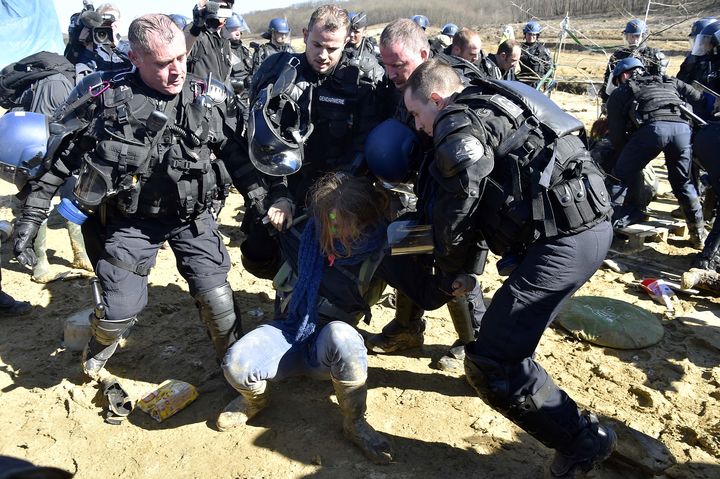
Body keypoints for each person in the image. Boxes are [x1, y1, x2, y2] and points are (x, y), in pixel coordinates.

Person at [11, 14, 248, 401]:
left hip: (192, 217)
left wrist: (265, 201)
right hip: (133, 222)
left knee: (217, 297)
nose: (176, 72)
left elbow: (239, 158)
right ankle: (98, 351)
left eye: (180, 59)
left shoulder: (207, 96)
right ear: (135, 57)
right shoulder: (106, 98)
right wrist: (32, 216)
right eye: (162, 64)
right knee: (118, 308)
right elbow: (60, 163)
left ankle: (235, 370)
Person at [402, 58, 616, 477]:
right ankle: (580, 431)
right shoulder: (495, 98)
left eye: (416, 114)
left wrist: (447, 270)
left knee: (493, 361)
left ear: (435, 99)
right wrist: (472, 267)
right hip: (580, 226)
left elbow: (461, 205)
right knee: (502, 346)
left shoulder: (456, 118)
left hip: (566, 240)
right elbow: (492, 195)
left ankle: (583, 442)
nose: (418, 127)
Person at [219, 173, 394, 464]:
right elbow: (254, 257)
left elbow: (423, 290)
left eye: (341, 223)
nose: (333, 230)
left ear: (364, 221)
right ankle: (255, 400)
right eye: (327, 220)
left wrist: (455, 274)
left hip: (327, 351)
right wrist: (273, 212)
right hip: (287, 334)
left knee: (345, 337)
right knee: (235, 365)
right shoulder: (303, 234)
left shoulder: (380, 250)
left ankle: (355, 422)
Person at [369, 18, 487, 370]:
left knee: (454, 263)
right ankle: (407, 327)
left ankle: (476, 345)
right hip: (421, 186)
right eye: (386, 64)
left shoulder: (458, 84)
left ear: (422, 53)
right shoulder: (399, 85)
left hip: (463, 193)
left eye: (398, 64)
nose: (391, 72)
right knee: (408, 250)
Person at [239, 5, 387, 281]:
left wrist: (341, 185)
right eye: (317, 44)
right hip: (287, 178)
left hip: (341, 184)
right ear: (305, 35)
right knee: (258, 250)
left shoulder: (364, 80)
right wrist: (279, 195)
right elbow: (263, 140)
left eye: (332, 48)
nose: (323, 55)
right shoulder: (279, 73)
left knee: (334, 252)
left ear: (347, 40)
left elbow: (367, 138)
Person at [606, 57, 706, 244]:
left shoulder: (624, 89)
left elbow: (617, 135)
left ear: (624, 75)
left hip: (653, 131)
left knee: (618, 178)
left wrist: (626, 154)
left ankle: (606, 231)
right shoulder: (669, 81)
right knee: (683, 182)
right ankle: (698, 234)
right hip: (683, 130)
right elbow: (698, 97)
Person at [600, 19, 667, 104]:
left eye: (637, 36)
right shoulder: (618, 55)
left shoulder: (654, 56)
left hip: (646, 99)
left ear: (643, 37)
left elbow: (659, 83)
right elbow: (608, 81)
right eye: (631, 36)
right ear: (626, 36)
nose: (634, 39)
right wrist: (606, 102)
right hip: (620, 98)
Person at [185, 0, 235, 81]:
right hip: (198, 91)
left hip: (219, 91)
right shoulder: (195, 31)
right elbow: (180, 56)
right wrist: (196, 27)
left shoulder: (225, 37)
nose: (218, 11)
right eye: (215, 7)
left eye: (223, 7)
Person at [224, 13, 252, 110]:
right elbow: (220, 79)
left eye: (238, 28)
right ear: (224, 30)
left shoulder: (244, 50)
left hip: (248, 98)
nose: (237, 32)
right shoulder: (222, 51)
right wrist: (242, 83)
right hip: (230, 100)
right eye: (233, 29)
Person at [518, 21, 553, 87]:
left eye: (533, 34)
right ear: (525, 34)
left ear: (537, 36)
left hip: (537, 84)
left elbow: (549, 68)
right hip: (521, 82)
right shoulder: (519, 48)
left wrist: (549, 82)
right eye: (529, 34)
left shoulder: (542, 50)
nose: (531, 37)